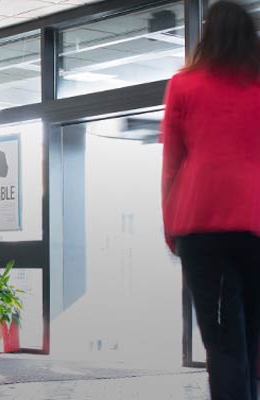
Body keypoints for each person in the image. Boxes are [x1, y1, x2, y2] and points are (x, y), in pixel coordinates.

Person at [161, 2, 260, 399]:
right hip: (255, 222)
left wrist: (171, 229)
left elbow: (171, 164)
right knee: (251, 338)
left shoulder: (184, 84)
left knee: (222, 342)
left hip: (202, 226)